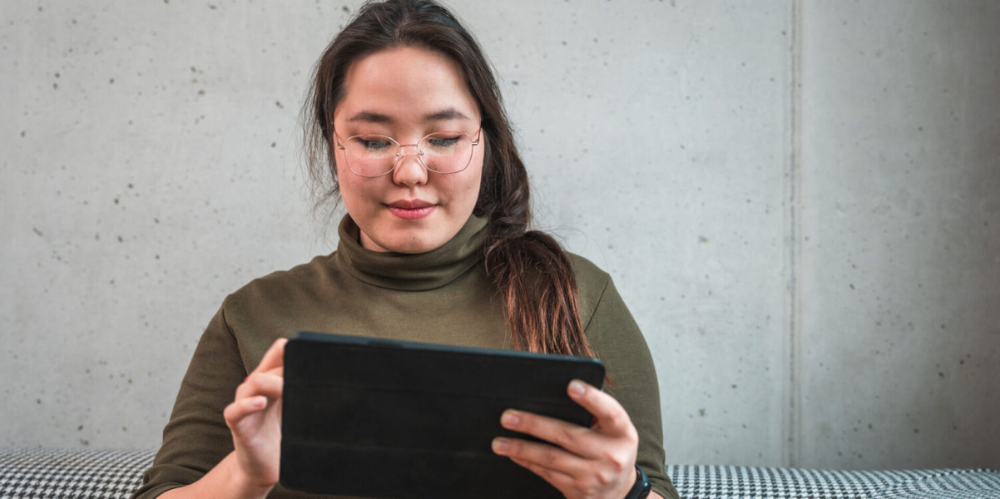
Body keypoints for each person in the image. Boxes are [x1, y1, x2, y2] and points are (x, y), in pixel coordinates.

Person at [133, 1, 678, 498]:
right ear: (334, 143)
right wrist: (246, 474)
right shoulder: (252, 316)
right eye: (373, 141)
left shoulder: (578, 295)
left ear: (484, 141)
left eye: (443, 139)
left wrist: (622, 493)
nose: (411, 171)